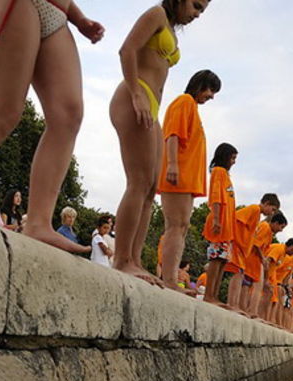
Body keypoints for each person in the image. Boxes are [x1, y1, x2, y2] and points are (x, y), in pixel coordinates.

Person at [0, 0, 104, 254]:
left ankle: (39, 223)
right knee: (1, 114)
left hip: (59, 10)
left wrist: (78, 18)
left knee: (68, 116)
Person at [110, 0, 210, 285]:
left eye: (201, 10)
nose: (196, 14)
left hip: (151, 104)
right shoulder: (156, 14)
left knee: (151, 186)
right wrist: (135, 93)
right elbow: (126, 49)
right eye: (195, 5)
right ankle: (121, 259)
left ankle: (135, 259)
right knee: (138, 181)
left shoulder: (172, 32)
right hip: (136, 93)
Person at [158, 70, 221, 290]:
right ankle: (169, 280)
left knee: (181, 227)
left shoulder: (192, 107)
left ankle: (170, 277)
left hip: (188, 178)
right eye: (211, 90)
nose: (211, 96)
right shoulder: (184, 101)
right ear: (200, 85)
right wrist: (173, 165)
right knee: (176, 226)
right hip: (179, 174)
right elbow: (173, 134)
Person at [224, 194, 280, 311]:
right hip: (237, 244)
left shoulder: (257, 215)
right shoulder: (255, 209)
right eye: (272, 209)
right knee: (238, 275)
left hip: (241, 247)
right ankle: (232, 304)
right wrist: (234, 240)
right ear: (266, 203)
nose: (271, 212)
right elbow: (236, 220)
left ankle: (233, 304)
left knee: (239, 276)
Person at [202, 143, 237, 305]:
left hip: (227, 228)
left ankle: (214, 295)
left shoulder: (226, 175)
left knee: (222, 261)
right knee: (216, 260)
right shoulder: (219, 172)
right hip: (219, 222)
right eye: (232, 158)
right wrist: (216, 219)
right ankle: (208, 294)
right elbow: (215, 196)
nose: (234, 162)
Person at [244, 212, 288, 317]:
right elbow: (257, 244)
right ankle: (251, 311)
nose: (281, 230)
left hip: (254, 259)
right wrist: (263, 259)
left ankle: (249, 310)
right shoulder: (265, 227)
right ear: (275, 222)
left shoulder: (268, 231)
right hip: (253, 259)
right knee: (256, 287)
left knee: (247, 285)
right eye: (281, 227)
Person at [263, 238, 293, 324]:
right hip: (270, 277)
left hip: (274, 279)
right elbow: (269, 262)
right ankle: (266, 318)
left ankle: (271, 319)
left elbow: (287, 276)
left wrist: (287, 286)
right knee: (271, 297)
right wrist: (267, 279)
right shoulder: (282, 252)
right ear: (292, 247)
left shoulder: (292, 262)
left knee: (275, 300)